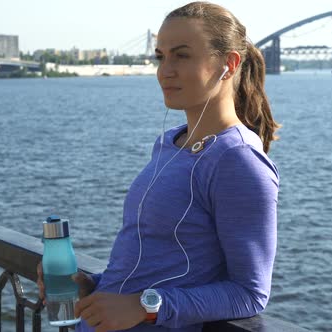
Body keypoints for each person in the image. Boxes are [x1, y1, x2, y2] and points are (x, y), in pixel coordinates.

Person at [37, 2, 280, 331]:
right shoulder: (170, 143)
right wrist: (91, 284)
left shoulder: (238, 160)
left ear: (229, 63)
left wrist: (146, 307)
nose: (165, 70)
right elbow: (152, 257)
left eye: (181, 55)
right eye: (160, 56)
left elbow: (249, 293)